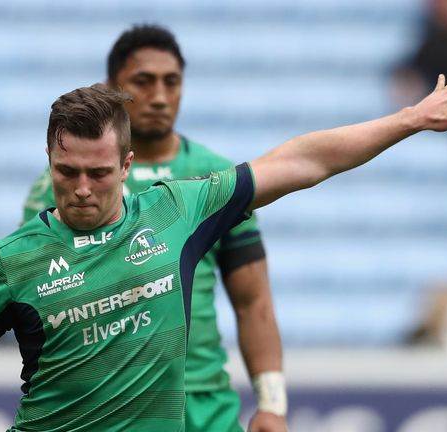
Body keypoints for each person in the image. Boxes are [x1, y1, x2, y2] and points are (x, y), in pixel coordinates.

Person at [0, 57, 447, 432]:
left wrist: (407, 119)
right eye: (68, 173)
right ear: (49, 160)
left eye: (99, 172)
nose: (84, 189)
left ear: (126, 164)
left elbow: (302, 161)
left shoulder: (176, 209)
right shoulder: (14, 258)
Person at [22, 24, 284, 432]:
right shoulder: (69, 187)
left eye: (171, 82)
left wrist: (271, 403)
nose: (160, 97)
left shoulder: (213, 178)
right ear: (112, 89)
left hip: (203, 402)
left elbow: (254, 301)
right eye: (143, 82)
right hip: (113, 406)